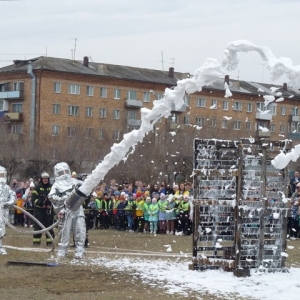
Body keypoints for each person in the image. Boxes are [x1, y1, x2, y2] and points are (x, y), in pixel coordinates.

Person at [48, 162, 86, 259]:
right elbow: (51, 196)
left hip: (78, 210)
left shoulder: (76, 182)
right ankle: (62, 250)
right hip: (65, 211)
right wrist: (64, 199)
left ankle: (80, 250)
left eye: (65, 171)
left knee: (80, 230)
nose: (64, 174)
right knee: (64, 231)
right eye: (61, 172)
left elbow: (87, 190)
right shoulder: (57, 184)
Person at [32, 172, 54, 246]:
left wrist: (49, 205)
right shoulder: (37, 187)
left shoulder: (52, 187)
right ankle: (36, 242)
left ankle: (50, 242)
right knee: (38, 226)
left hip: (49, 210)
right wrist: (41, 204)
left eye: (46, 179)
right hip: (39, 211)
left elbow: (55, 198)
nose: (45, 180)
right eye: (44, 179)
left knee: (49, 226)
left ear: (48, 179)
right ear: (41, 179)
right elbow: (34, 199)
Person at [0, 166, 16, 255]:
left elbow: (13, 197)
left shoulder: (7, 188)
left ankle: (0, 246)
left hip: (2, 213)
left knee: (1, 229)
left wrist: (8, 203)